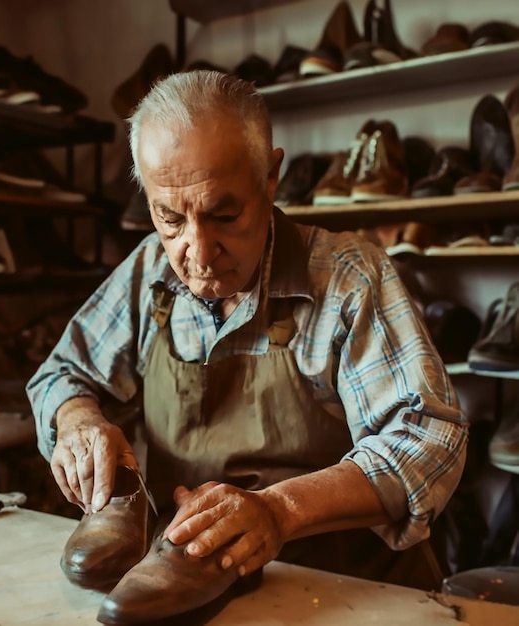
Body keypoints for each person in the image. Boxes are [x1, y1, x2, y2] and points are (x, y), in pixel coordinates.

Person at [26, 70, 468, 592]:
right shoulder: (150, 272)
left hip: (343, 585)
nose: (198, 250)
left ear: (270, 176)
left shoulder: (348, 276)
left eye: (224, 213)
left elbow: (429, 437)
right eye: (170, 218)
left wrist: (279, 511)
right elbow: (64, 371)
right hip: (190, 577)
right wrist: (78, 422)